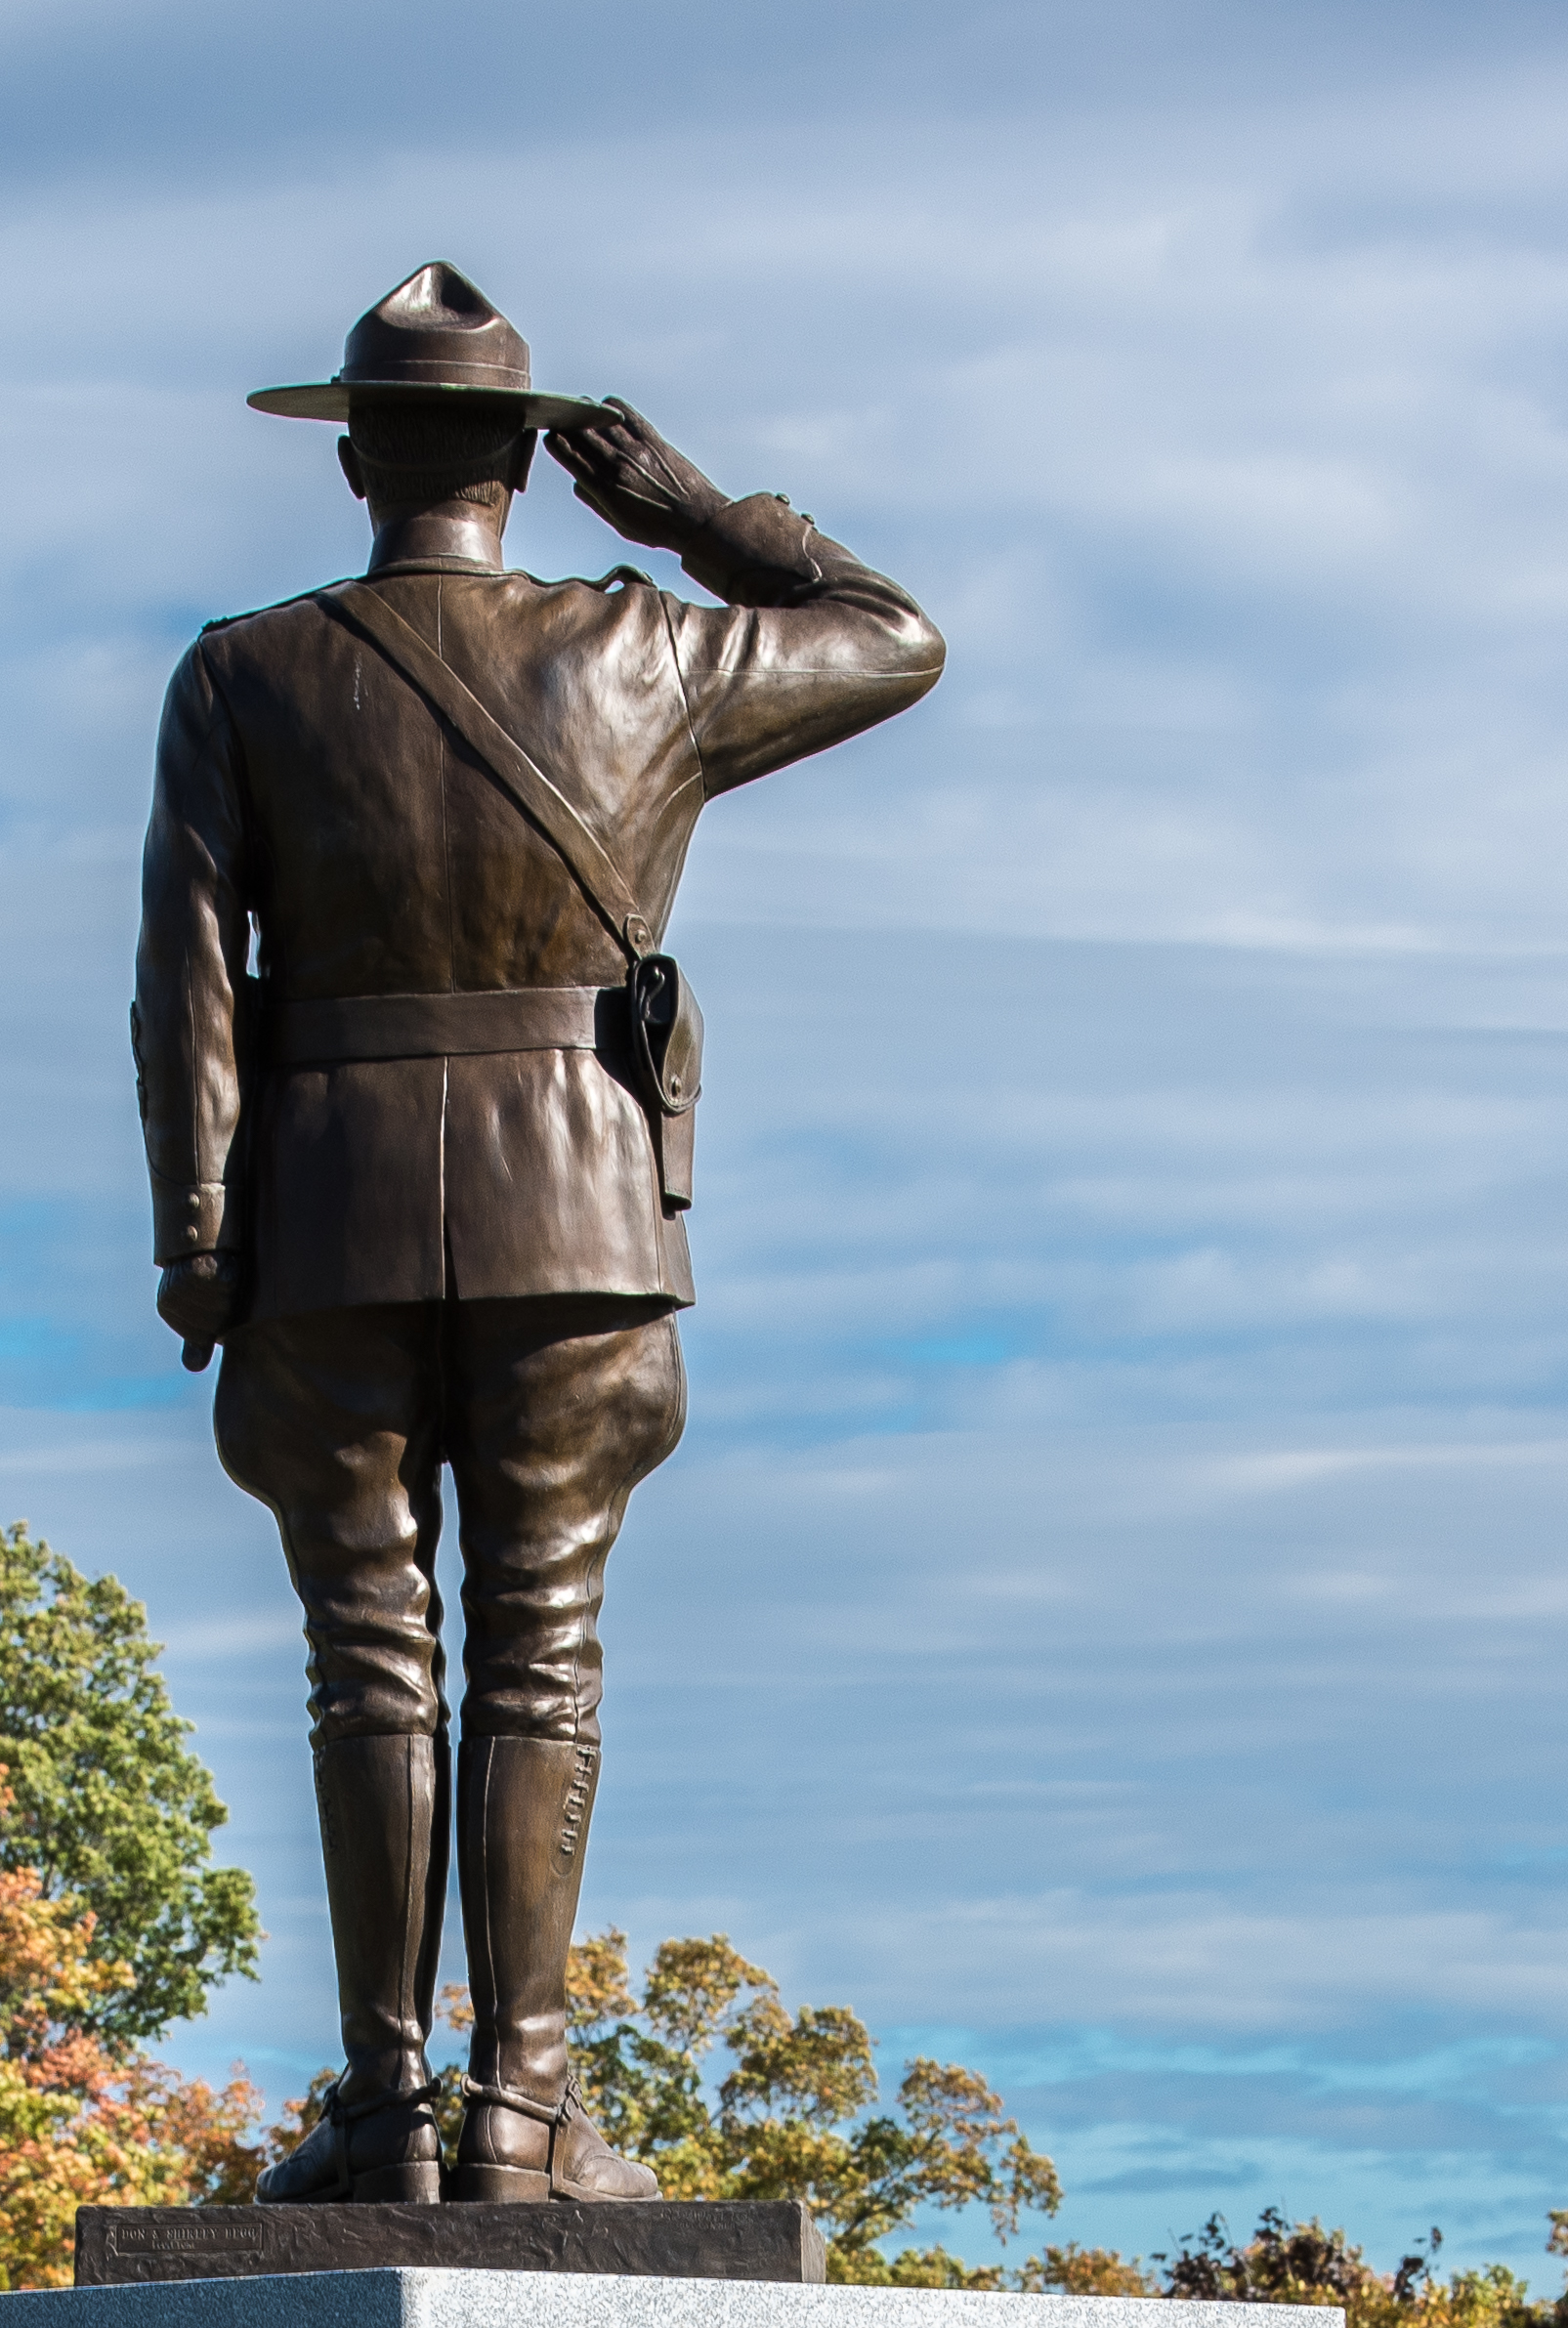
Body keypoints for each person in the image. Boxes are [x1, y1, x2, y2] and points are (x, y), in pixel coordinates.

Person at [136, 264, 942, 2200]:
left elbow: (189, 985)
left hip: (323, 1221)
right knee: (543, 1656)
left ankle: (383, 2105)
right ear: (522, 455)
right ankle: (522, 2103)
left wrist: (197, 1236)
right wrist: (690, 513)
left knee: (365, 1659)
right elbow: (895, 637)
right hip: (576, 1210)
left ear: (357, 467)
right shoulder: (653, 649)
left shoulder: (241, 675)